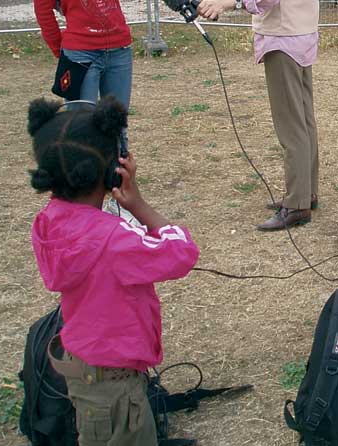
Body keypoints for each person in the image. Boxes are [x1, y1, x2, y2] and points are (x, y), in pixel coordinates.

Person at [27, 95, 200, 446]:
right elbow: (182, 252)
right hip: (116, 384)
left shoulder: (48, 222)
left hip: (83, 370)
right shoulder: (114, 240)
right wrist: (138, 203)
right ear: (111, 171)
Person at [198, 0, 320, 232]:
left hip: (283, 36)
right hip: (297, 32)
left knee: (291, 125)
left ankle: (297, 204)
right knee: (303, 119)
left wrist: (226, 1)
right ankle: (306, 192)